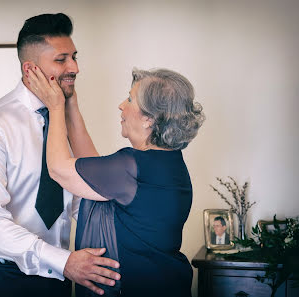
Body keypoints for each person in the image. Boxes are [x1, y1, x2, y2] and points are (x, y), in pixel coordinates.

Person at [0, 13, 120, 297]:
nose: (75, 67)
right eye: (61, 60)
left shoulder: (63, 120)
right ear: (30, 69)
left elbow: (80, 196)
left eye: (74, 57)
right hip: (3, 279)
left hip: (59, 277)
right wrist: (65, 261)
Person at [26, 66, 205, 296]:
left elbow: (59, 170)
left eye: (130, 99)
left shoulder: (132, 165)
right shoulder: (168, 162)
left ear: (149, 119)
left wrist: (55, 107)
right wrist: (71, 105)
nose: (122, 105)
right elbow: (92, 171)